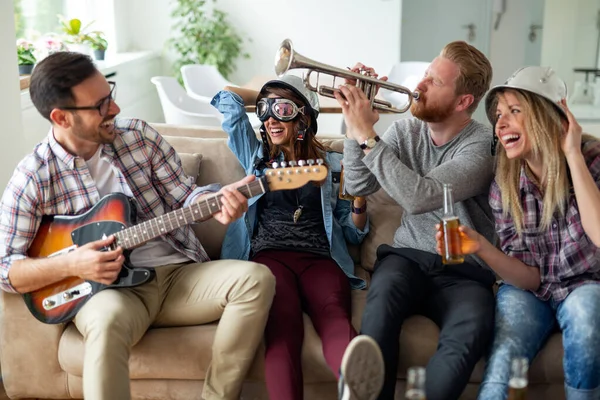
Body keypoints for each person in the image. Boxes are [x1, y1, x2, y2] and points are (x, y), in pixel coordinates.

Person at [0, 51, 277, 400]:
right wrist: (73, 263)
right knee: (106, 323)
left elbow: (184, 197)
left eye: (110, 95)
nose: (114, 109)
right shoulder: (33, 177)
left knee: (256, 280)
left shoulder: (139, 137)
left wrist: (217, 203)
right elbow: (6, 268)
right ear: (61, 118)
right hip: (110, 294)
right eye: (100, 105)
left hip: (177, 277)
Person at [337, 41, 497, 400]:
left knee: (470, 333)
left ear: (463, 102)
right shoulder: (406, 131)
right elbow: (359, 184)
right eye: (425, 74)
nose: (419, 85)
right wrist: (353, 125)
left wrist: (367, 136)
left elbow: (422, 196)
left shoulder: (482, 146)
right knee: (378, 312)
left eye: (434, 82)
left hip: (465, 272)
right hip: (407, 257)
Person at [211, 74, 384, 400]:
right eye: (265, 110)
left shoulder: (333, 163)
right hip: (269, 258)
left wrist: (360, 200)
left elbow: (353, 232)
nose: (272, 119)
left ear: (303, 117)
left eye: (283, 110)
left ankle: (357, 386)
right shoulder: (256, 156)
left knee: (333, 316)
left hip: (320, 260)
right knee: (282, 328)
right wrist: (271, 96)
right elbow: (227, 99)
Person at [434, 66, 600, 400]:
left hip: (585, 285)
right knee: (503, 359)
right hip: (530, 292)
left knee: (586, 315)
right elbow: (530, 281)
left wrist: (571, 154)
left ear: (545, 116)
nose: (500, 123)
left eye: (514, 111)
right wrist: (480, 245)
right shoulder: (506, 185)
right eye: (498, 115)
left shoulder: (591, 162)